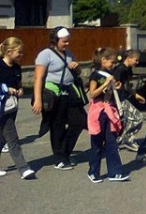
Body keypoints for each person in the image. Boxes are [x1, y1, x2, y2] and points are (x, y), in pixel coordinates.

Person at [32, 26, 87, 171]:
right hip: (53, 94)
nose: (67, 44)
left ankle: (65, 152)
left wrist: (77, 67)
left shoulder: (69, 54)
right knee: (57, 126)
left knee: (80, 121)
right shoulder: (45, 54)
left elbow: (78, 73)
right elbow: (39, 77)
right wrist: (38, 99)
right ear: (55, 40)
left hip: (69, 92)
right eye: (64, 41)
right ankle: (60, 158)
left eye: (68, 41)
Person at [87, 47, 130, 182]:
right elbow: (93, 94)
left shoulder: (110, 75)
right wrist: (105, 84)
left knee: (112, 142)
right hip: (98, 111)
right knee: (97, 143)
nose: (113, 65)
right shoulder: (95, 75)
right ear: (103, 60)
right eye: (111, 63)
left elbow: (111, 92)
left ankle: (115, 171)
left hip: (109, 110)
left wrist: (115, 87)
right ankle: (93, 171)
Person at [0, 37, 34, 179]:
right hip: (2, 107)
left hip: (12, 107)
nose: (21, 55)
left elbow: (19, 84)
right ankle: (23, 168)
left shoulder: (16, 67)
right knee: (12, 138)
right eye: (19, 53)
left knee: (2, 138)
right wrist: (6, 89)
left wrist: (20, 90)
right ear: (9, 51)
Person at [112, 49, 144, 152]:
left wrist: (135, 95)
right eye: (136, 60)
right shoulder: (120, 69)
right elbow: (114, 84)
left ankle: (118, 140)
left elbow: (126, 85)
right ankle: (128, 140)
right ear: (129, 58)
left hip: (124, 97)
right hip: (119, 99)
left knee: (125, 121)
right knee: (138, 118)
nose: (137, 62)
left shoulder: (128, 69)